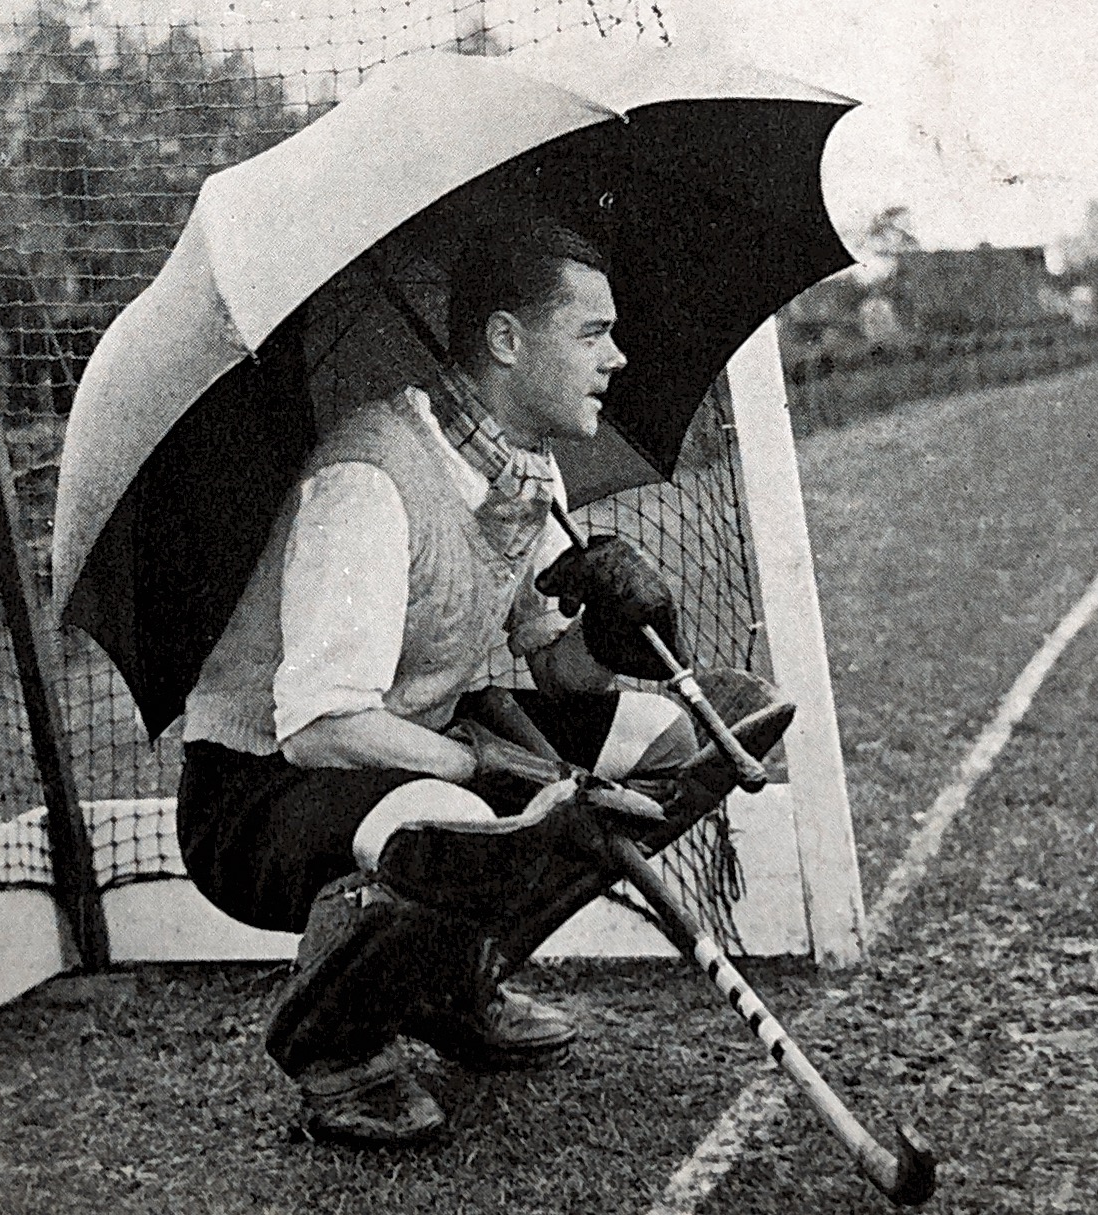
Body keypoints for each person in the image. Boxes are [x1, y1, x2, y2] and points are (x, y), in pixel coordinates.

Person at [175, 218, 704, 1145]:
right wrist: (482, 768)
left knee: (670, 745)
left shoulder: (525, 468)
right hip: (260, 789)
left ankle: (453, 983)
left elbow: (553, 664)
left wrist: (616, 635)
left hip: (411, 753)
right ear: (506, 340)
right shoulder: (369, 479)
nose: (616, 357)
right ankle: (336, 1046)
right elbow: (319, 724)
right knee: (478, 821)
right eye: (592, 334)